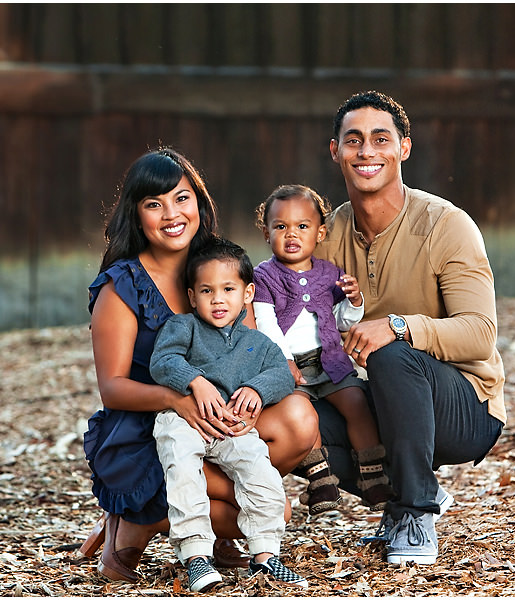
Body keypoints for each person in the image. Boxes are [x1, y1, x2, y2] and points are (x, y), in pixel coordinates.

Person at [79, 148, 320, 583]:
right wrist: (180, 397)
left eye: (181, 198)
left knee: (301, 419)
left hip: (216, 420)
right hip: (146, 429)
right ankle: (138, 520)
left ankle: (196, 519)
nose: (172, 214)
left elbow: (251, 350)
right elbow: (112, 388)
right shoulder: (122, 287)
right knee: (276, 508)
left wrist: (252, 397)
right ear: (135, 216)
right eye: (154, 204)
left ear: (200, 203)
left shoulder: (216, 268)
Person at [311, 91, 506, 565]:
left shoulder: (447, 224)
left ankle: (415, 509)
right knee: (294, 417)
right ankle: (408, 492)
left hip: (465, 404)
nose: (367, 151)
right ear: (335, 151)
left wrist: (398, 327)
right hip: (375, 399)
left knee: (391, 353)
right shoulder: (326, 235)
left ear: (404, 148)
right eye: (353, 140)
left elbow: (480, 333)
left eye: (382, 139)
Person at [149, 237, 307, 591]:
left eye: (228, 289)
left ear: (247, 294)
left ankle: (266, 556)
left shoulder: (258, 342)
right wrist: (195, 381)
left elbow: (283, 374)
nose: (217, 299)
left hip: (232, 427)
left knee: (262, 475)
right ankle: (196, 556)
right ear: (192, 297)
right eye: (206, 291)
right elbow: (162, 362)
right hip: (185, 420)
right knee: (182, 469)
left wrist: (256, 390)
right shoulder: (184, 327)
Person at [251, 184, 394, 515]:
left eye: (302, 226)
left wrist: (355, 302)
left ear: (320, 232)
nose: (292, 234)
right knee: (304, 415)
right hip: (289, 365)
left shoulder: (330, 274)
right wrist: (282, 360)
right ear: (266, 232)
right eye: (281, 226)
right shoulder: (264, 276)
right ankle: (321, 480)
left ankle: (372, 476)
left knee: (357, 402)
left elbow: (341, 320)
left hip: (329, 360)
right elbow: (265, 322)